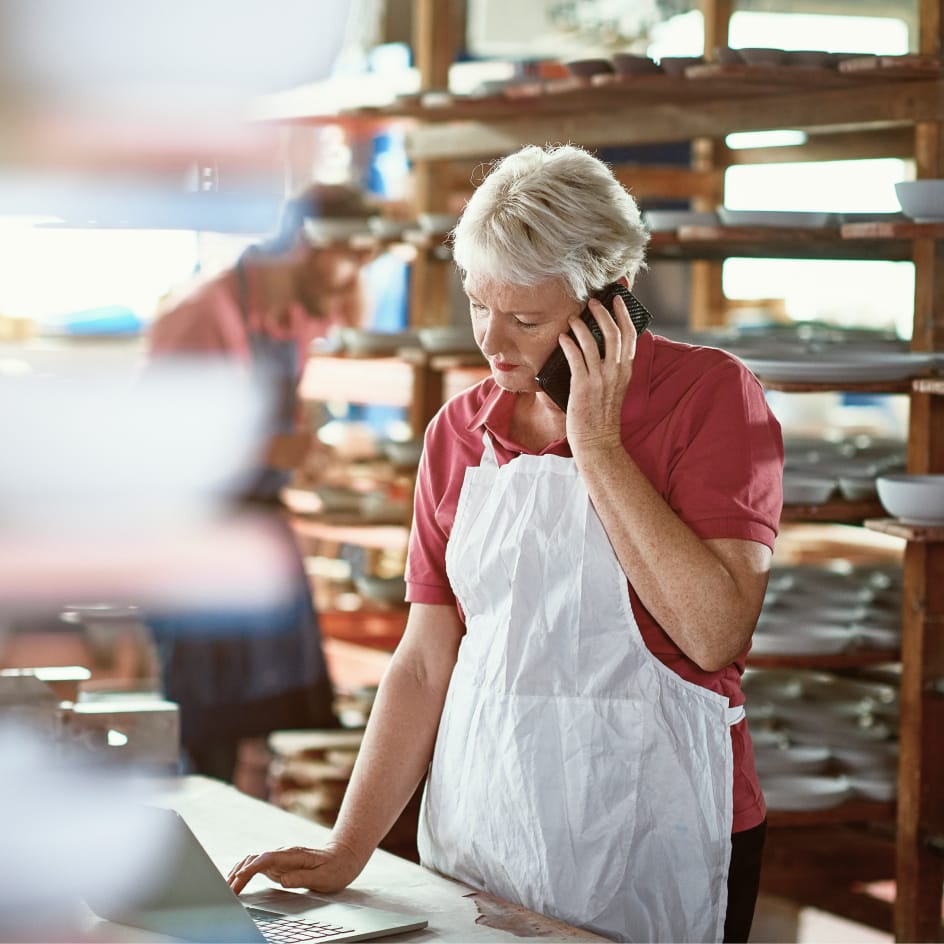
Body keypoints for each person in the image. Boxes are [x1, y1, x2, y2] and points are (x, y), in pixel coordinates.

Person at [226, 145, 784, 943]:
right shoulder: (457, 431)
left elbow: (714, 630)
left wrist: (596, 443)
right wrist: (349, 847)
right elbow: (424, 661)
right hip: (485, 825)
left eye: (525, 320)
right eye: (478, 305)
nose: (492, 342)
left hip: (659, 828)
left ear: (609, 306)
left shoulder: (712, 397)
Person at [145, 183, 380, 781]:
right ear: (305, 242)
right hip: (194, 539)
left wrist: (306, 453)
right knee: (208, 733)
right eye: (350, 255)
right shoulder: (199, 318)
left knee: (278, 720)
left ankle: (258, 853)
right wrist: (268, 448)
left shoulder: (295, 310)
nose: (355, 274)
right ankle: (202, 859)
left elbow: (352, 319)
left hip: (258, 527)